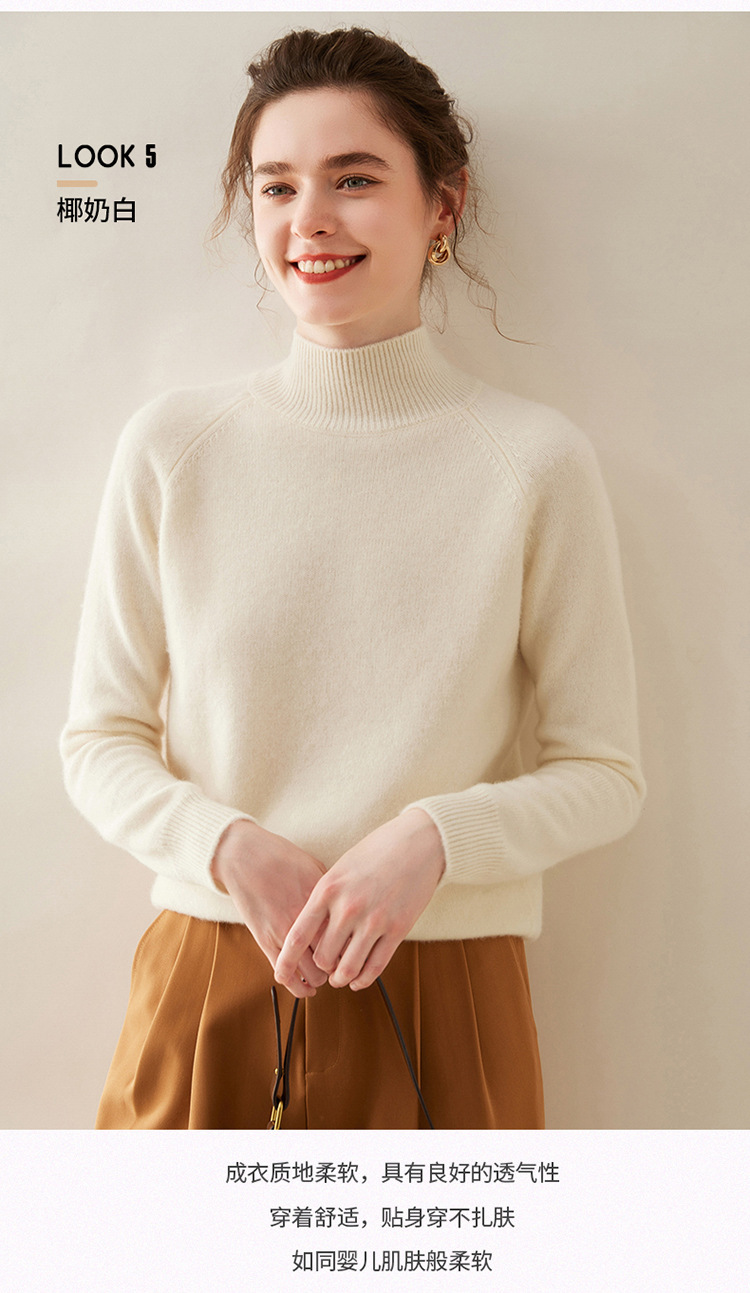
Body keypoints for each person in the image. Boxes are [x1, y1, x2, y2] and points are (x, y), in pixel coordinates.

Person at [60, 27, 646, 1130]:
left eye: (356, 179)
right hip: (213, 969)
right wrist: (225, 847)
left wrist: (433, 841)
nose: (311, 219)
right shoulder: (174, 449)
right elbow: (98, 740)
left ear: (442, 205)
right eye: (277, 185)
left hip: (449, 985)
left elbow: (605, 771)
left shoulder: (532, 463)